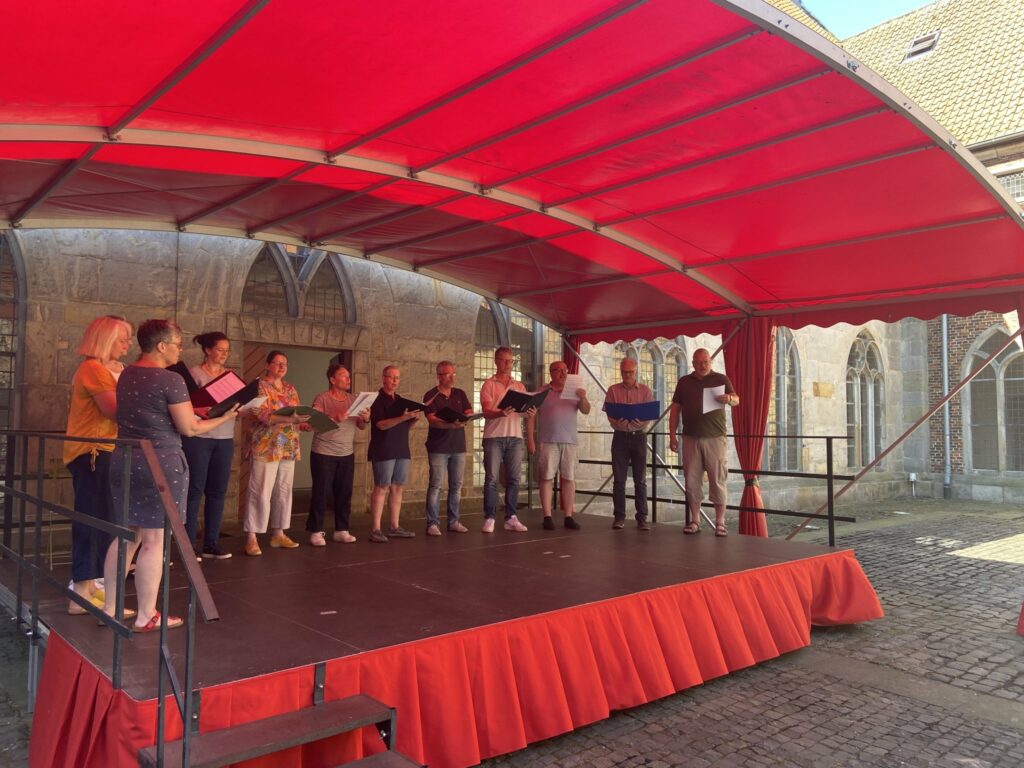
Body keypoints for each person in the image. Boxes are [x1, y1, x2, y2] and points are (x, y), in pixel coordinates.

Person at [101, 319, 238, 631]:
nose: (180, 349)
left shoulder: (126, 374)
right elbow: (189, 427)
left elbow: (148, 412)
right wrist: (225, 417)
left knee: (126, 536)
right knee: (154, 539)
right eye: (177, 343)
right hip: (159, 462)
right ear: (161, 346)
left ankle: (109, 608)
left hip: (124, 457)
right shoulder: (171, 379)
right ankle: (146, 614)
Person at [64, 315, 133, 615]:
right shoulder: (92, 368)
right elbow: (113, 409)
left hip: (107, 451)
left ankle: (90, 587)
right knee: (92, 519)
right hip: (92, 451)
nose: (127, 345)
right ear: (105, 339)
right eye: (122, 339)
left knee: (105, 519)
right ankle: (80, 591)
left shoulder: (112, 369)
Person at [243, 350, 310, 556]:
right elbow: (261, 415)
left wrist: (307, 423)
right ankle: (252, 537)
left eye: (285, 364)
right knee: (260, 491)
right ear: (267, 365)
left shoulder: (290, 388)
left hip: (287, 445)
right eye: (278, 363)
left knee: (283, 490)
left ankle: (278, 533)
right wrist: (290, 420)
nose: (282, 367)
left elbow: (296, 413)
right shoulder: (258, 386)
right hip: (265, 445)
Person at [668, 348, 739, 537]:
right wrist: (672, 435)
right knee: (691, 480)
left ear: (710, 361)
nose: (702, 365)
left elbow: (737, 400)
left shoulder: (721, 379)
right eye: (698, 362)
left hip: (715, 438)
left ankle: (720, 522)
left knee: (718, 480)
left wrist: (729, 398)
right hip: (690, 437)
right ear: (693, 363)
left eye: (705, 361)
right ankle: (695, 520)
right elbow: (675, 409)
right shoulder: (684, 382)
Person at [182, 331, 236, 561]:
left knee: (217, 491)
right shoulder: (194, 374)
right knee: (194, 490)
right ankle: (189, 544)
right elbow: (186, 406)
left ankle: (211, 542)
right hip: (199, 438)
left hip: (225, 438)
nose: (224, 354)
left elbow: (237, 405)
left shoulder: (231, 376)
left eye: (227, 350)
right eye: (220, 350)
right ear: (207, 350)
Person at [306, 361, 368, 546]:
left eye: (349, 375)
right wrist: (335, 418)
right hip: (323, 453)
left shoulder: (354, 399)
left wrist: (365, 418)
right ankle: (316, 531)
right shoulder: (322, 398)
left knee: (344, 493)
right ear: (333, 379)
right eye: (343, 375)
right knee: (321, 493)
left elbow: (362, 426)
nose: (348, 379)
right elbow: (311, 424)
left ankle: (342, 530)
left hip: (346, 452)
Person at [526, 360, 590, 530]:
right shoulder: (542, 391)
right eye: (559, 370)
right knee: (546, 477)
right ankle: (547, 516)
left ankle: (568, 515)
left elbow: (586, 410)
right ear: (551, 373)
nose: (563, 373)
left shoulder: (574, 391)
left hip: (569, 441)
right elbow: (531, 415)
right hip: (548, 440)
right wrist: (530, 439)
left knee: (568, 478)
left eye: (565, 370)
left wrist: (583, 397)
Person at [479, 346, 534, 533]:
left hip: (515, 437)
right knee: (492, 479)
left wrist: (530, 412)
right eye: (504, 360)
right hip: (493, 437)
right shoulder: (488, 384)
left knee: (514, 479)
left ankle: (511, 517)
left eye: (510, 361)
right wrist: (500, 412)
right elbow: (486, 412)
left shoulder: (519, 386)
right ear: (496, 361)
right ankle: (489, 517)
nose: (508, 364)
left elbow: (524, 411)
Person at [367, 365, 420, 543]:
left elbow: (404, 426)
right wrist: (402, 418)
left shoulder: (400, 401)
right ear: (383, 378)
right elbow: (381, 424)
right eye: (391, 377)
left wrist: (412, 420)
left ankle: (395, 526)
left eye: (397, 377)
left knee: (398, 487)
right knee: (382, 486)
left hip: (401, 448)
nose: (395, 380)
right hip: (383, 449)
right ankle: (375, 529)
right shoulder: (376, 400)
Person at [422, 360, 473, 536]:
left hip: (458, 446)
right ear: (439, 376)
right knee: (436, 485)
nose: (452, 377)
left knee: (456, 485)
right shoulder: (430, 395)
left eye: (454, 373)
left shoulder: (459, 393)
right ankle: (432, 523)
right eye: (448, 374)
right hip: (438, 447)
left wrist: (466, 417)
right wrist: (449, 424)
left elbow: (468, 411)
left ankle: (453, 521)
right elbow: (432, 420)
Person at [604, 358, 654, 531]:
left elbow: (649, 414)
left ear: (636, 372)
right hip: (619, 437)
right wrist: (619, 422)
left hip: (639, 436)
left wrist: (638, 422)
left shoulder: (645, 391)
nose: (627, 375)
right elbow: (609, 415)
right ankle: (619, 517)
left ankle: (642, 518)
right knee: (619, 480)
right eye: (624, 372)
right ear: (620, 371)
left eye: (630, 372)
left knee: (640, 480)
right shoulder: (613, 390)